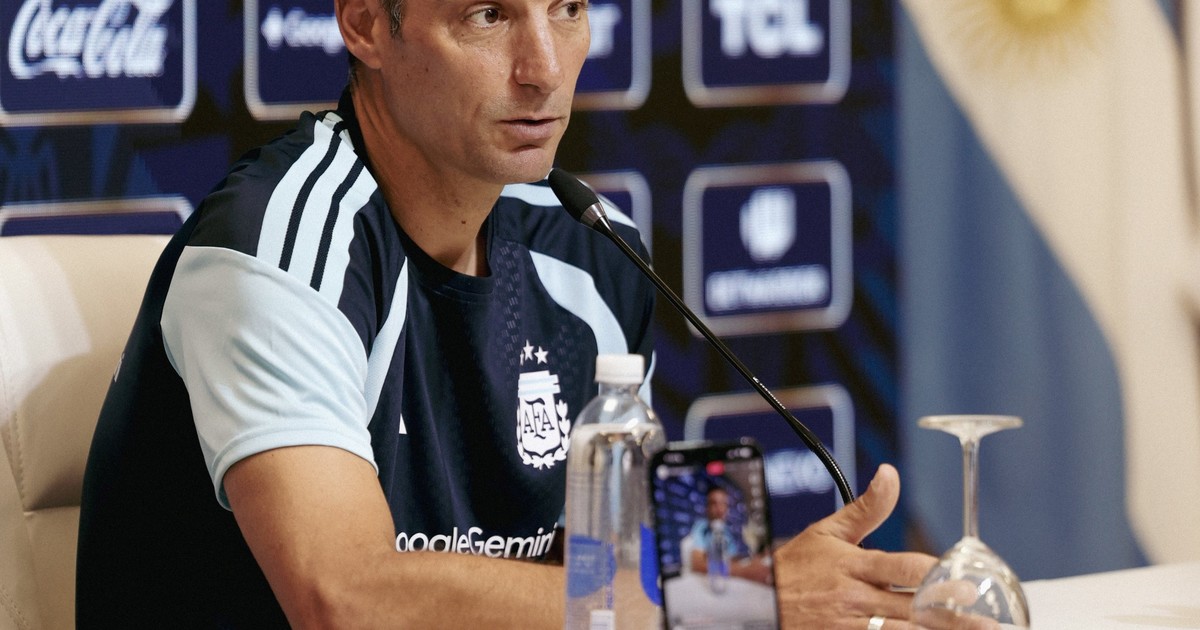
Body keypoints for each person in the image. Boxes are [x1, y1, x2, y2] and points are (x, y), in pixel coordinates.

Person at [75, 0, 934, 628]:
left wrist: (746, 595)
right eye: (488, 16)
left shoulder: (595, 248)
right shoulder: (279, 247)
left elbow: (614, 573)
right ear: (366, 25)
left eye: (568, 10)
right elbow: (345, 597)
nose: (544, 68)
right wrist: (737, 598)